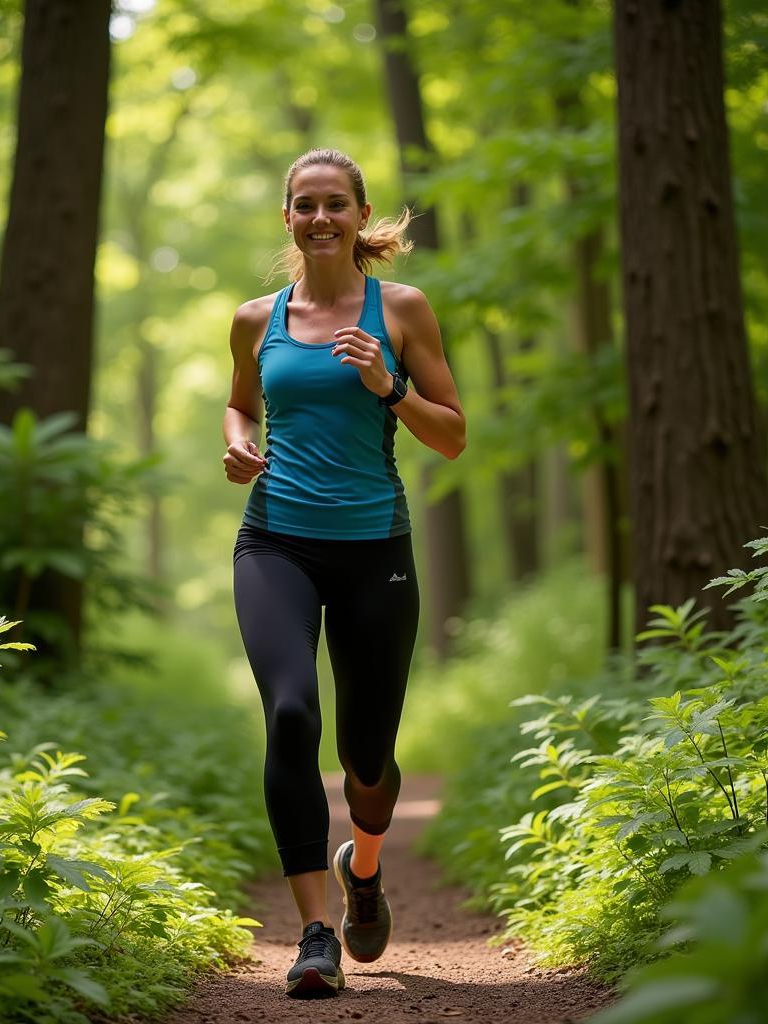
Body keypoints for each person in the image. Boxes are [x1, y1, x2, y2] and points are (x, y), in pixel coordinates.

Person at [222, 148, 466, 998]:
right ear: (285, 216)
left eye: (335, 204)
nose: (320, 218)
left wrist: (387, 385)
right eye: (304, 205)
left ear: (362, 217)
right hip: (276, 542)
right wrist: (237, 439)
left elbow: (453, 434)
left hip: (374, 548)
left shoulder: (401, 310)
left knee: (367, 755)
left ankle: (363, 868)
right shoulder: (257, 318)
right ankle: (314, 934)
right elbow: (242, 399)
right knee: (291, 713)